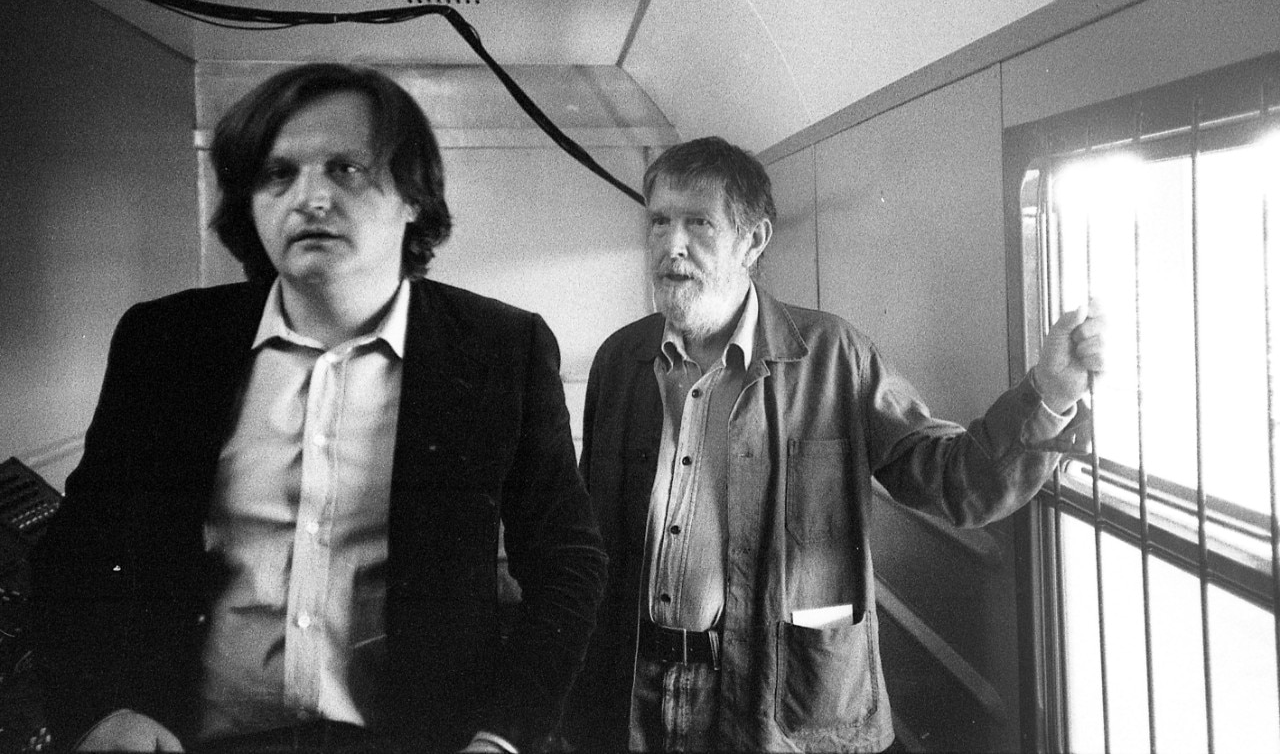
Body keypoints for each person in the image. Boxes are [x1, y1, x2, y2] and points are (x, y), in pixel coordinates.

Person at [32, 63, 607, 754]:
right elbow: (80, 549)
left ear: (414, 196)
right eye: (278, 174)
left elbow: (568, 561)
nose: (309, 198)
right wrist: (100, 709)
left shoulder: (499, 349)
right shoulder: (166, 342)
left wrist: (503, 736)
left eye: (346, 168)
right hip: (190, 741)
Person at [565, 136, 1105, 752]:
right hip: (632, 696)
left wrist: (1049, 394)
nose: (672, 245)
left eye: (698, 224)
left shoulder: (833, 357)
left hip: (777, 707)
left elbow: (956, 482)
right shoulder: (621, 359)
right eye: (659, 222)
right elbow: (591, 534)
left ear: (753, 241)